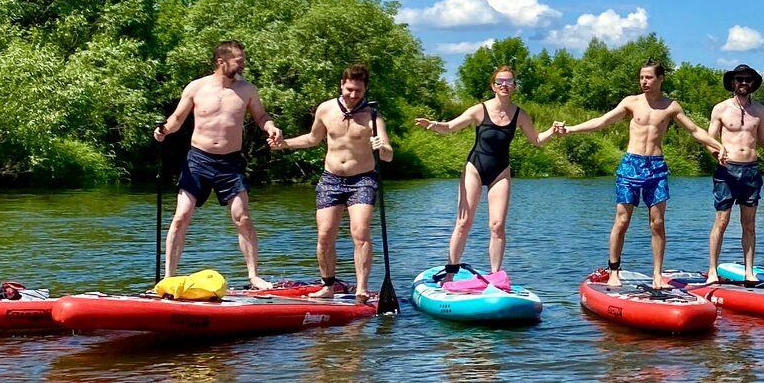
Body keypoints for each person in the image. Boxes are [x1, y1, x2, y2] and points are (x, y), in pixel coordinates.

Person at [555, 62, 723, 288]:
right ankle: (614, 270)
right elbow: (603, 121)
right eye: (641, 77)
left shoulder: (670, 107)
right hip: (631, 165)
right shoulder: (631, 102)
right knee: (622, 220)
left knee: (657, 223)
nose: (644, 81)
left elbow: (695, 131)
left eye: (649, 77)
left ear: (660, 78)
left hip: (656, 167)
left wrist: (719, 146)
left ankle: (657, 274)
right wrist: (572, 129)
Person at [155, 40, 283, 290]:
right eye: (238, 60)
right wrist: (164, 130)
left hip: (230, 162)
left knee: (242, 217)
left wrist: (271, 127)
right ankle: (168, 277)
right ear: (221, 62)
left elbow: (261, 116)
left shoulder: (247, 89)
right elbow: (177, 119)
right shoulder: (196, 87)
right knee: (181, 216)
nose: (242, 64)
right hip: (198, 160)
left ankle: (254, 276)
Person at [414, 64, 550, 276]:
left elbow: (538, 140)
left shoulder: (520, 115)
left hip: (500, 171)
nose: (505, 85)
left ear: (515, 86)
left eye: (509, 82)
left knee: (497, 225)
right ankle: (450, 272)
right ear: (493, 86)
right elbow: (450, 127)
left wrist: (555, 131)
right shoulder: (480, 110)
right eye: (500, 82)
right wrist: (432, 124)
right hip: (475, 168)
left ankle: (495, 275)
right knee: (463, 222)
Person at [273, 64, 393, 301]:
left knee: (360, 233)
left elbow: (388, 155)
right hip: (331, 179)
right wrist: (284, 143)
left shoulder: (373, 116)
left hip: (362, 180)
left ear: (365, 89)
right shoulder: (326, 109)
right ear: (341, 84)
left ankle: (361, 288)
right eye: (349, 89)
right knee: (325, 235)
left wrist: (383, 147)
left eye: (358, 91)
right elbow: (312, 138)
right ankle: (328, 285)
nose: (352, 95)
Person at [702, 64, 764, 284]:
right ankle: (712, 270)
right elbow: (709, 140)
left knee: (749, 224)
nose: (743, 83)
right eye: (739, 79)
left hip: (750, 170)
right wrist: (716, 152)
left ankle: (749, 271)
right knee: (721, 221)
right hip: (726, 170)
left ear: (752, 84)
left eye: (747, 79)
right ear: (732, 82)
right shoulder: (720, 109)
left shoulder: (758, 110)